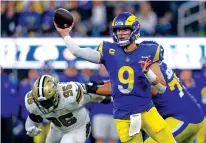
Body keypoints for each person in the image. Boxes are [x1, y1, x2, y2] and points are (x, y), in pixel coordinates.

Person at [55, 12, 176, 143]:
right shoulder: (109, 50)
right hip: (124, 117)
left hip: (147, 111)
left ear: (134, 30)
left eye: (125, 29)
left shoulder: (149, 51)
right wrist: (65, 35)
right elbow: (77, 51)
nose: (121, 33)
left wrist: (148, 73)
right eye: (118, 30)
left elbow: (162, 87)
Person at [24, 74, 111, 143]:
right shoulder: (32, 103)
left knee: (68, 140)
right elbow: (33, 118)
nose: (45, 105)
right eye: (41, 103)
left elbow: (92, 90)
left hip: (79, 127)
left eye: (48, 100)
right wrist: (30, 128)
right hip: (58, 129)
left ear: (56, 93)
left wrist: (102, 97)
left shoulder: (69, 94)